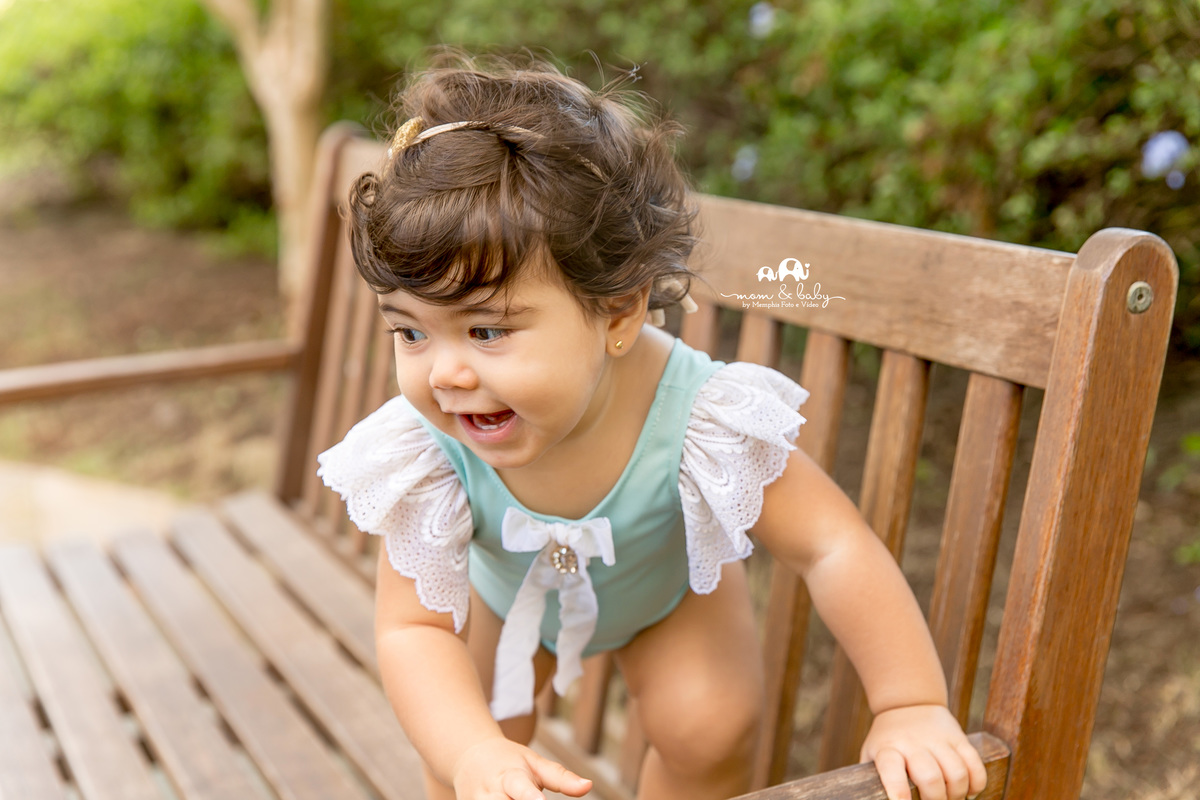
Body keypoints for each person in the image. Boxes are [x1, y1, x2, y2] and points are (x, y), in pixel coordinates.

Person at [318, 53, 987, 800]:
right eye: (411, 334)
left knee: (709, 727)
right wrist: (472, 753)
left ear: (620, 313)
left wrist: (909, 704)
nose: (444, 375)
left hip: (664, 593)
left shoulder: (698, 414)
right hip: (501, 602)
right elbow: (412, 630)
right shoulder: (429, 448)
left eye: (485, 332)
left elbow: (833, 545)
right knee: (471, 746)